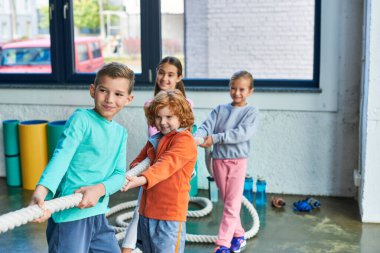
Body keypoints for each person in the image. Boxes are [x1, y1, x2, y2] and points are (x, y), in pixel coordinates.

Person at [30, 62, 135, 253]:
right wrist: (42, 190)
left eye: (118, 94)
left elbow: (119, 174)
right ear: (93, 90)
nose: (110, 99)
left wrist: (99, 189)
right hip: (69, 217)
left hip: (98, 215)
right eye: (104, 91)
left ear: (128, 99)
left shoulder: (121, 133)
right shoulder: (82, 119)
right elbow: (61, 157)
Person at [121, 56, 194, 253]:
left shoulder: (184, 141)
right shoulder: (155, 139)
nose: (163, 122)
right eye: (159, 118)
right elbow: (139, 160)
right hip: (148, 212)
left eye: (169, 117)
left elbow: (165, 166)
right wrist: (132, 172)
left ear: (182, 116)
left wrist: (140, 179)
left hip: (170, 214)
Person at [195, 70, 258, 253]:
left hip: (238, 162)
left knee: (231, 203)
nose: (237, 93)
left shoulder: (250, 112)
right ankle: (238, 235)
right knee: (228, 202)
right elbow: (206, 126)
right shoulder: (220, 110)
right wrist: (197, 138)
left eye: (242, 89)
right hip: (218, 161)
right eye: (233, 88)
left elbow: (241, 133)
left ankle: (223, 244)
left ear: (250, 91)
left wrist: (214, 139)